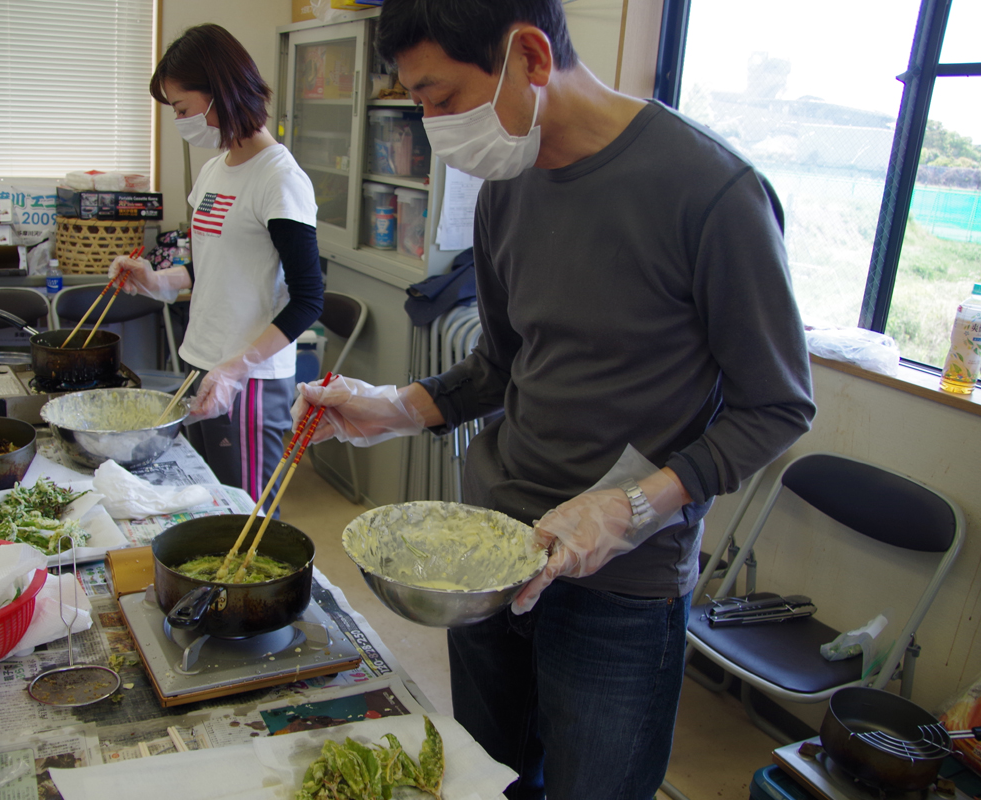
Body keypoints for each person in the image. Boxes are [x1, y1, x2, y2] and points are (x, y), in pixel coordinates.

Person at [291, 1, 817, 797]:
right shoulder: (510, 181)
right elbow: (501, 366)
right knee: (488, 778)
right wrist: (395, 406)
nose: (432, 125)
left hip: (622, 585)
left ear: (530, 57)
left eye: (439, 97)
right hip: (489, 554)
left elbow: (777, 407)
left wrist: (629, 509)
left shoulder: (712, 194)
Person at [112, 23, 323, 509]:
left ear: (219, 92)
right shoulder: (215, 169)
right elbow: (211, 264)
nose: (181, 121)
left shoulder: (279, 178)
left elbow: (310, 298)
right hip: (201, 361)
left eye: (183, 109)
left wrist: (235, 369)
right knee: (203, 504)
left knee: (243, 516)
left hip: (248, 380)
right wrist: (156, 280)